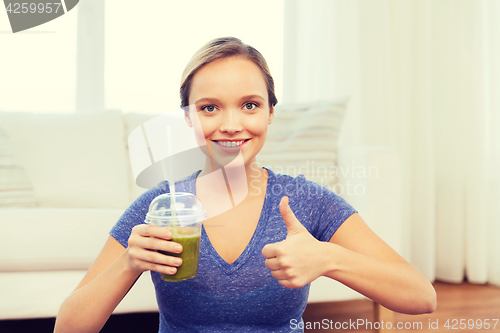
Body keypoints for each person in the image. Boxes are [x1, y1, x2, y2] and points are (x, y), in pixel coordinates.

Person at [54, 37, 436, 333]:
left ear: (271, 113)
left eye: (250, 105)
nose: (231, 124)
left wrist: (328, 258)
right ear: (188, 118)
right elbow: (68, 326)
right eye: (209, 107)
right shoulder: (160, 207)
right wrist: (129, 262)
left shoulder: (306, 201)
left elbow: (421, 296)